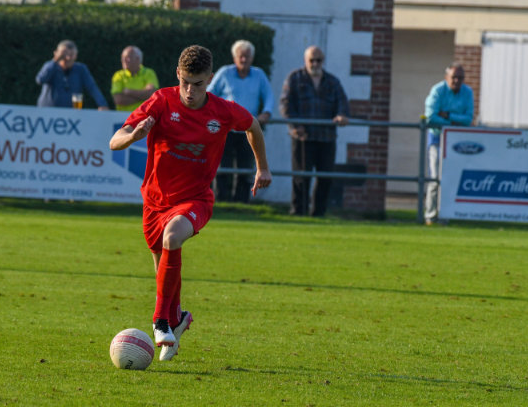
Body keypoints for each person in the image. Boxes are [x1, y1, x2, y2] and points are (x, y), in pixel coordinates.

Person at [109, 45, 272, 362]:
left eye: (197, 84)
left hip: (196, 199)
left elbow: (252, 124)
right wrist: (133, 137)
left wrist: (262, 167)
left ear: (209, 79)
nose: (189, 91)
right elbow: (115, 141)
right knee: (163, 269)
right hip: (155, 201)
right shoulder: (161, 101)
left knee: (172, 237)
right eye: (185, 82)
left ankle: (160, 321)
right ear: (177, 75)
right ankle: (177, 319)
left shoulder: (222, 111)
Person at [280, 45, 349, 217]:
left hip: (326, 137)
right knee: (301, 177)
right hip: (303, 137)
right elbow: (285, 104)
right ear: (305, 60)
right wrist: (296, 125)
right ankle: (298, 212)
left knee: (325, 177)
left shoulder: (333, 82)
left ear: (323, 61)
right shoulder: (295, 78)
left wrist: (342, 115)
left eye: (319, 60)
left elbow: (343, 103)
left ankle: (319, 213)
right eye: (312, 60)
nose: (315, 64)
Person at [207, 40, 274, 203]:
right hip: (225, 128)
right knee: (222, 166)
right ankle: (221, 200)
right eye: (241, 56)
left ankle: (242, 201)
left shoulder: (259, 75)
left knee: (245, 167)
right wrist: (214, 113)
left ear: (252, 58)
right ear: (235, 57)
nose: (244, 59)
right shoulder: (224, 73)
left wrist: (266, 112)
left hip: (248, 129)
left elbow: (269, 96)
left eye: (247, 56)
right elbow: (209, 93)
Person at [424, 62, 474, 225]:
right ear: (447, 77)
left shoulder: (468, 92)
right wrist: (452, 123)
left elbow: (468, 119)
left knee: (450, 179)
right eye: (454, 77)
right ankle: (430, 215)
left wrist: (448, 116)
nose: (457, 81)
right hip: (437, 139)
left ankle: (445, 216)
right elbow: (431, 117)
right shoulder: (437, 91)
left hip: (457, 142)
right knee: (435, 178)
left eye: (460, 78)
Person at [35, 40, 109, 110]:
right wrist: (55, 61)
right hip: (48, 112)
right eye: (64, 55)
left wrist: (102, 104)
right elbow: (40, 80)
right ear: (56, 53)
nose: (68, 58)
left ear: (76, 56)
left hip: (71, 113)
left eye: (71, 55)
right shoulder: (50, 66)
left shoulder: (81, 69)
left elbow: (92, 87)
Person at [111, 45, 159, 112]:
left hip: (144, 116)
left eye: (128, 57)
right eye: (123, 57)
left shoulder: (149, 73)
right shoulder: (118, 75)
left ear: (137, 59)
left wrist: (129, 92)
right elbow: (119, 100)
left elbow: (151, 94)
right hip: (123, 117)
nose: (124, 60)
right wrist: (143, 97)